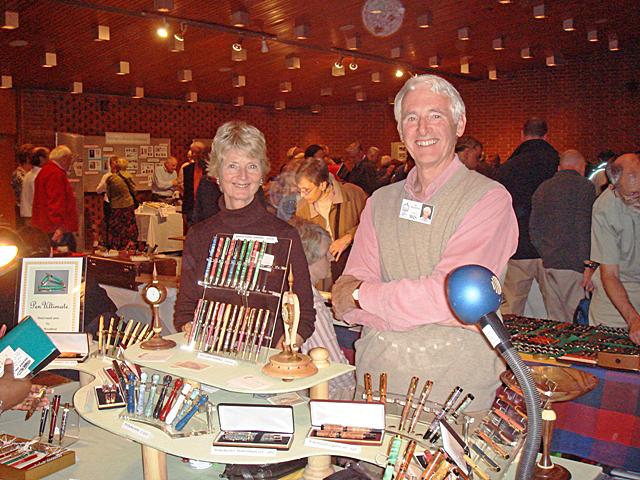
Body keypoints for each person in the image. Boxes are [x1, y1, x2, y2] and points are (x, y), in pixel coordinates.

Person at [332, 74, 518, 410]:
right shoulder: (380, 202)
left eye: (436, 116)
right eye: (411, 119)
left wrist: (366, 298)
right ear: (401, 131)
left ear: (459, 124)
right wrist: (364, 300)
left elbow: (448, 299)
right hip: (377, 382)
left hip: (453, 391)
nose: (423, 129)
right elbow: (344, 298)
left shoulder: (488, 199)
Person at [174, 121, 316, 347]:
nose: (242, 176)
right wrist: (192, 330)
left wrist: (284, 349)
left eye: (251, 166)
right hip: (210, 359)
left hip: (265, 364)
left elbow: (304, 314)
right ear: (217, 174)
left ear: (261, 175)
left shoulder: (284, 236)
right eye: (232, 165)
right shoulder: (199, 235)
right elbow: (185, 309)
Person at [498, 118, 559, 315]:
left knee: (511, 309)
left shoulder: (509, 168)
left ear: (521, 135)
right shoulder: (557, 163)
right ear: (546, 136)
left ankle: (508, 345)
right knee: (557, 311)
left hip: (519, 245)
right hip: (552, 248)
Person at [291, 217, 356, 400]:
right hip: (319, 397)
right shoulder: (311, 303)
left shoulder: (289, 290)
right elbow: (335, 370)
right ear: (307, 258)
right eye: (324, 253)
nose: (330, 257)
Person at [529, 150, 596, 322]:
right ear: (581, 166)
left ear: (559, 167)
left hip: (549, 262)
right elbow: (585, 227)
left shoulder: (543, 188)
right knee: (578, 317)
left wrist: (545, 251)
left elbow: (534, 228)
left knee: (556, 319)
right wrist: (589, 264)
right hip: (575, 264)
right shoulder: (585, 187)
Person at [589, 153, 640, 345]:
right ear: (613, 187)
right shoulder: (604, 207)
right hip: (615, 296)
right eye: (633, 194)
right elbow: (610, 275)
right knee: (610, 355)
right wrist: (633, 319)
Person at [295, 157, 367, 285]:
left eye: (306, 190)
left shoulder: (354, 195)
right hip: (322, 275)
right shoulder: (302, 208)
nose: (302, 195)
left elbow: (372, 224)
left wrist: (349, 236)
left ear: (322, 185)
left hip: (353, 270)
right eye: (299, 190)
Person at [32, 145, 79, 252]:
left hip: (45, 225)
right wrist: (60, 227)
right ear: (63, 159)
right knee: (66, 255)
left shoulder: (45, 171)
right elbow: (56, 201)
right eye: (69, 159)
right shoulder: (56, 174)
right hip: (55, 227)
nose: (70, 163)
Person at [105, 157, 138, 251]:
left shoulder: (111, 179)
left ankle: (116, 247)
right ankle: (128, 246)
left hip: (116, 206)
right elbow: (134, 191)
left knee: (116, 229)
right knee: (128, 227)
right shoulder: (129, 176)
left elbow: (109, 194)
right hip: (129, 205)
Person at [180, 141, 209, 226]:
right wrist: (184, 211)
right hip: (191, 208)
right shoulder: (188, 169)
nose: (194, 155)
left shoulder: (209, 169)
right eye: (192, 152)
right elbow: (187, 191)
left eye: (196, 152)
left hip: (206, 207)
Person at [20, 147, 50, 223]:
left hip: (28, 215)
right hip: (39, 217)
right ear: (41, 159)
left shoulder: (28, 175)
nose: (50, 160)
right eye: (48, 157)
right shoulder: (40, 176)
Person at [96, 157, 117, 248]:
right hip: (109, 203)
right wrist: (106, 184)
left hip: (120, 204)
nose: (115, 165)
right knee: (109, 224)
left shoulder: (123, 175)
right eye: (113, 163)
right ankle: (109, 245)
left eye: (117, 163)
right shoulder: (106, 176)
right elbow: (98, 190)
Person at [11, 143, 34, 228]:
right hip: (23, 212)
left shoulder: (30, 173)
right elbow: (25, 195)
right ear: (28, 158)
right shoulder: (18, 175)